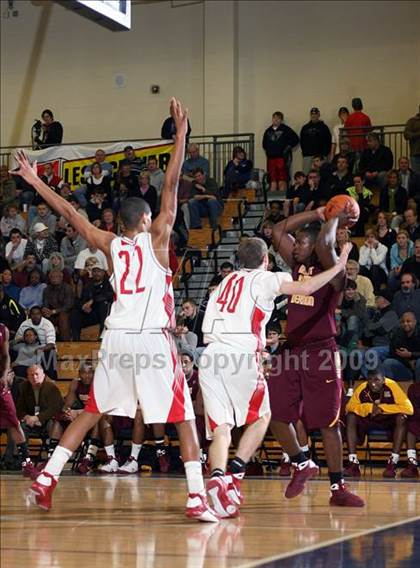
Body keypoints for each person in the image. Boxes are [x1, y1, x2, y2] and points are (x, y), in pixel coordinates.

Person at [12, 99, 218, 522]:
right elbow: (172, 184)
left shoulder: (109, 243)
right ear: (144, 220)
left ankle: (48, 478)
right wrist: (181, 135)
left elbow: (68, 212)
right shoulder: (158, 237)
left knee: (92, 411)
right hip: (151, 340)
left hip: (116, 338)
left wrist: (34, 179)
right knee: (181, 416)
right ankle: (197, 496)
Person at [200, 237, 353, 516]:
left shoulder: (223, 282)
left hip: (209, 357)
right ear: (266, 260)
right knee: (263, 416)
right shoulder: (266, 278)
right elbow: (306, 286)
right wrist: (340, 264)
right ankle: (235, 474)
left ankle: (219, 477)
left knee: (221, 429)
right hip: (240, 354)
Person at [268, 205, 364, 507]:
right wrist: (319, 212)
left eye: (300, 242)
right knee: (275, 410)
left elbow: (324, 244)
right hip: (291, 349)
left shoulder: (334, 272)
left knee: (327, 423)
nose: (294, 246)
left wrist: (335, 217)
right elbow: (276, 230)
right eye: (295, 242)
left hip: (321, 350)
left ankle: (338, 488)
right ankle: (301, 462)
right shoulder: (298, 268)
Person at [344, 366, 413, 478]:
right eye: (370, 380)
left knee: (402, 418)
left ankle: (393, 462)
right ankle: (353, 462)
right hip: (370, 419)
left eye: (377, 380)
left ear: (384, 380)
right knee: (351, 416)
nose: (373, 383)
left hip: (388, 420)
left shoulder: (392, 385)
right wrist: (370, 407)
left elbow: (409, 408)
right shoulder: (363, 387)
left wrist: (381, 408)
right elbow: (349, 407)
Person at [0, 324, 37, 479]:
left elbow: (6, 355)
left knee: (14, 422)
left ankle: (26, 464)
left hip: (1, 384)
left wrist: (6, 372)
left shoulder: (3, 329)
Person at [262, 112, 299, 191]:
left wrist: (288, 148)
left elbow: (296, 139)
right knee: (272, 179)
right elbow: (264, 144)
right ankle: (272, 200)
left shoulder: (286, 129)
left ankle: (282, 198)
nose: (275, 120)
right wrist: (269, 151)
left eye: (278, 118)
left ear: (281, 120)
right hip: (271, 158)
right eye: (274, 117)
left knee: (282, 179)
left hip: (282, 158)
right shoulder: (268, 131)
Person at [383, 312, 420, 381]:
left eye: (408, 321)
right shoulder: (398, 333)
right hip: (405, 365)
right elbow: (392, 352)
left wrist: (411, 354)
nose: (405, 324)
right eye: (403, 322)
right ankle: (394, 387)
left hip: (417, 363)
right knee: (387, 362)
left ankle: (417, 386)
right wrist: (408, 361)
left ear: (415, 322)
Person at [300, 108, 332, 174]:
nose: (313, 115)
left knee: (322, 174)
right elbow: (302, 141)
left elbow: (328, 141)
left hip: (320, 157)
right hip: (308, 156)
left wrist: (324, 155)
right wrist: (305, 154)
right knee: (306, 175)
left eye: (315, 114)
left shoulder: (324, 127)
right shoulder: (305, 128)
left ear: (319, 115)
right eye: (312, 114)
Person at [400, 380, 420, 478]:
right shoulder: (414, 388)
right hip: (418, 419)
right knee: (410, 426)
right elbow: (412, 410)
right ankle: (412, 464)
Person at [358, 229, 388, 293]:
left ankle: (376, 292)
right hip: (369, 272)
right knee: (361, 268)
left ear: (376, 238)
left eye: (372, 237)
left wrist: (372, 249)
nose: (370, 239)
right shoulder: (362, 248)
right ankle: (363, 291)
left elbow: (376, 262)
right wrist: (368, 248)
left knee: (374, 267)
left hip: (380, 272)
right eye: (368, 237)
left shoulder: (383, 248)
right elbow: (361, 263)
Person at [403, 105, 420, 175]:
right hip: (416, 152)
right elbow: (406, 135)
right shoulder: (412, 121)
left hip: (416, 152)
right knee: (417, 176)